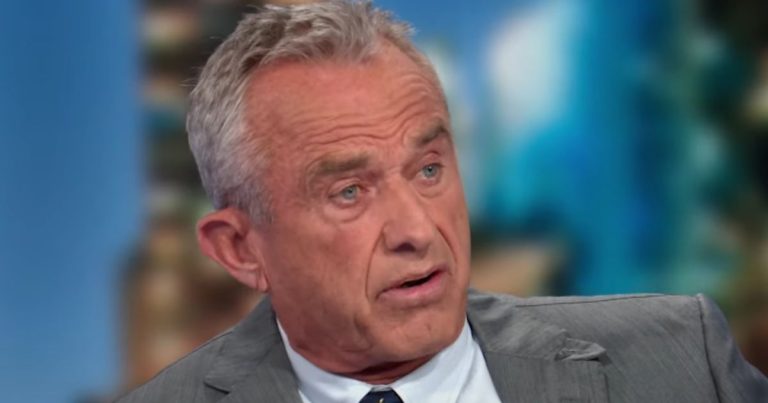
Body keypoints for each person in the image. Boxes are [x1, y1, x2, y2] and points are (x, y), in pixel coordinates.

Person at [117, 1, 768, 402]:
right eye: (349, 192)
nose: (418, 229)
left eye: (429, 169)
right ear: (240, 248)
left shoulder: (680, 359)